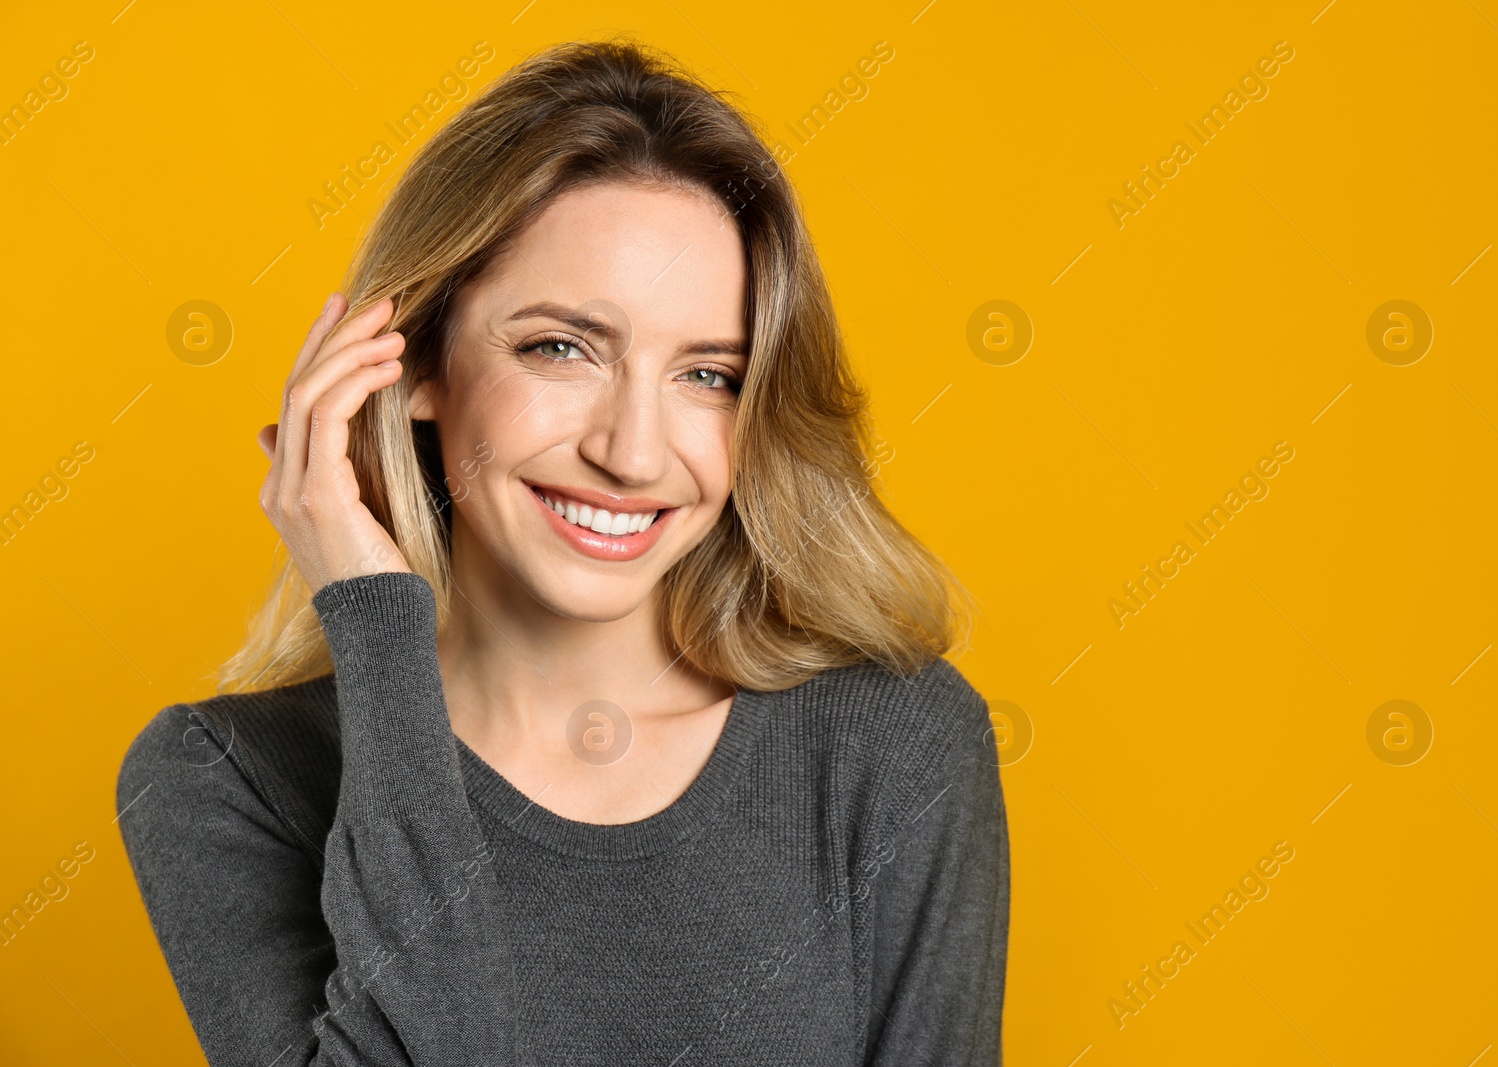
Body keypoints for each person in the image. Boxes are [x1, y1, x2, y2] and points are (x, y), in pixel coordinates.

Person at [116, 37, 1009, 1065]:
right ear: (408, 366)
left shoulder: (893, 747)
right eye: (561, 347)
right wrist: (371, 618)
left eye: (707, 373)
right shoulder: (224, 779)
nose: (631, 452)